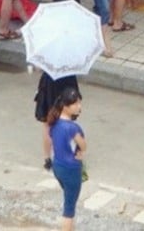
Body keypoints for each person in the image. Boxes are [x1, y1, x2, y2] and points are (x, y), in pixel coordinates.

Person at [47, 87, 87, 231]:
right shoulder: (73, 128)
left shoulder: (53, 122)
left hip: (58, 165)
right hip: (71, 169)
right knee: (69, 209)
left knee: (68, 200)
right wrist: (80, 153)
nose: (79, 107)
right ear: (66, 106)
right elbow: (83, 145)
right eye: (75, 104)